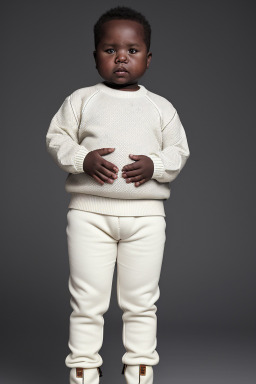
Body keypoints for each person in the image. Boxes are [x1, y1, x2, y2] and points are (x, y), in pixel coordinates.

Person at [46, 5, 190, 384]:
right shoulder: (81, 100)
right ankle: (83, 370)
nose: (121, 57)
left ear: (148, 58)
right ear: (95, 57)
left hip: (145, 218)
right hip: (89, 216)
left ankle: (140, 369)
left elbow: (178, 152)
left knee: (142, 301)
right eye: (110, 50)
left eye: (132, 50)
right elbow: (56, 138)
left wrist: (156, 166)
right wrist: (82, 159)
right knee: (87, 300)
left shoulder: (161, 108)